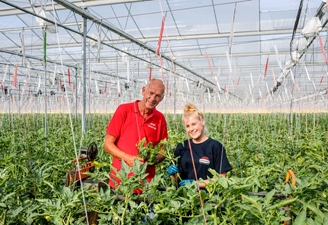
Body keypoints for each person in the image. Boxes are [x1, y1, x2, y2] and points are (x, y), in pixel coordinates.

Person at [104, 78, 168, 192]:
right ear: (143, 91)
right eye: (151, 93)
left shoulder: (160, 119)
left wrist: (152, 161)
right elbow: (108, 144)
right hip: (120, 182)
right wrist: (128, 158)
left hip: (146, 185)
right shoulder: (124, 110)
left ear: (162, 99)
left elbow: (163, 151)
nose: (153, 98)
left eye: (158, 96)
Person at [167, 103, 232, 188]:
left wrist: (196, 184)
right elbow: (177, 180)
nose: (191, 129)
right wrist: (173, 174)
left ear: (202, 121)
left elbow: (222, 178)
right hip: (184, 198)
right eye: (187, 126)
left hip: (208, 198)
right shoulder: (182, 147)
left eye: (194, 124)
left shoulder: (215, 146)